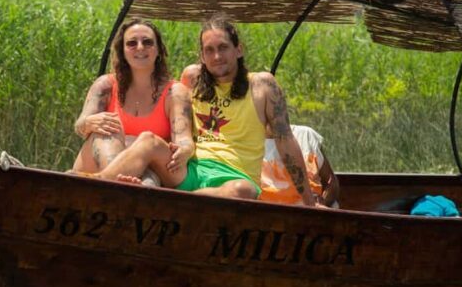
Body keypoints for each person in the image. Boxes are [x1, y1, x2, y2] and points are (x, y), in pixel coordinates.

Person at [94, 14, 316, 206]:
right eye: (209, 50)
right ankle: (94, 185)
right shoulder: (193, 78)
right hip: (190, 170)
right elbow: (176, 123)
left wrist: (310, 202)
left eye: (223, 48)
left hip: (235, 178)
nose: (217, 57)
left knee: (242, 190)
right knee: (148, 140)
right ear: (202, 56)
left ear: (238, 49)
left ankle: (171, 201)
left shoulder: (262, 85)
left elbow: (285, 141)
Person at [72, 18, 194, 185]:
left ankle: (109, 182)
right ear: (122, 51)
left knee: (148, 169)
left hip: (154, 167)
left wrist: (185, 150)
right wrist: (88, 123)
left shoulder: (175, 92)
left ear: (159, 50)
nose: (140, 47)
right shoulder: (105, 85)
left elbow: (183, 138)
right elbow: (80, 126)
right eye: (131, 43)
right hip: (106, 159)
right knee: (107, 129)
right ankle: (121, 183)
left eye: (147, 42)